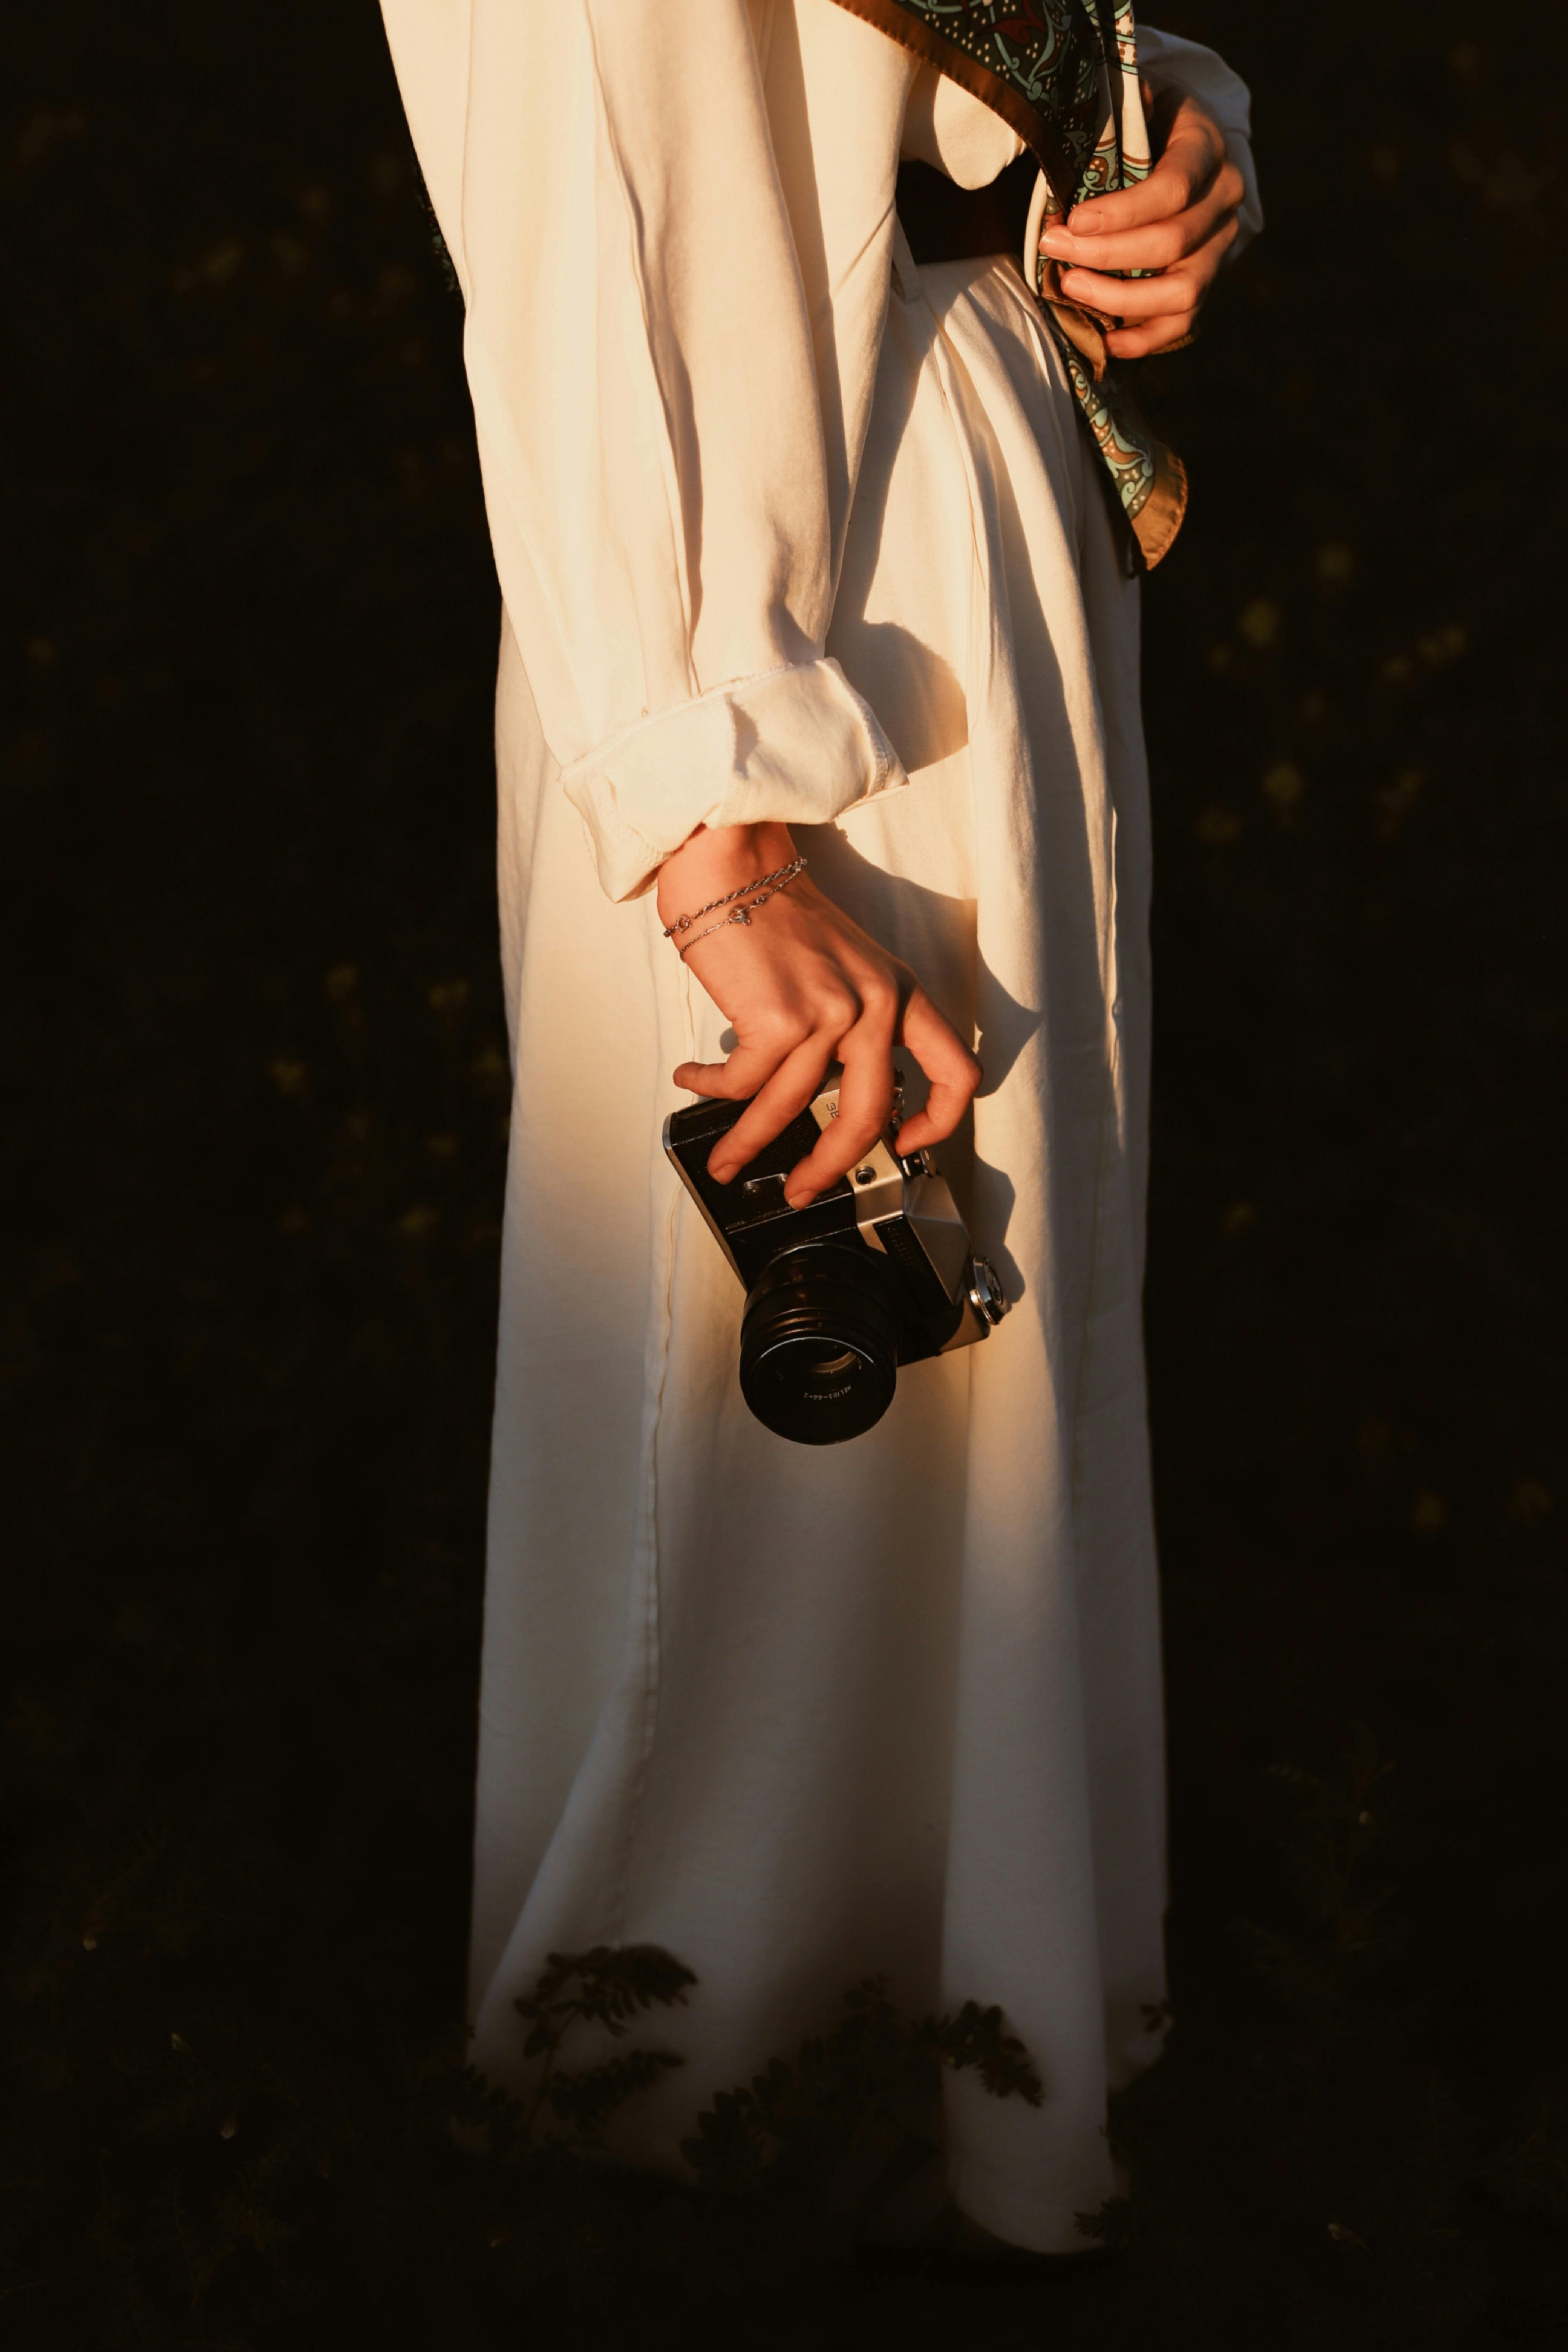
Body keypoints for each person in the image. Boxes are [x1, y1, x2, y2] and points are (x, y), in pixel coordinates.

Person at [377, 0, 1260, 2253]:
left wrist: (1171, 130)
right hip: (753, 572)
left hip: (979, 455)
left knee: (1005, 1385)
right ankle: (659, 2161)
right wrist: (713, 822)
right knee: (761, 1431)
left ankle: (971, 2086)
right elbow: (567, 136)